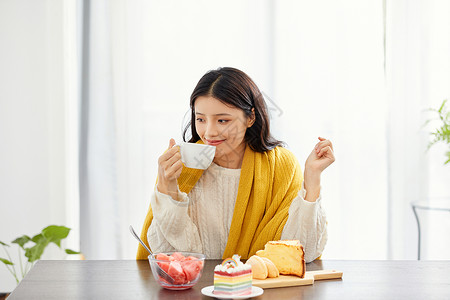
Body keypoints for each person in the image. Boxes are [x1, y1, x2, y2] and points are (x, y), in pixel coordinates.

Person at [136, 67, 335, 263]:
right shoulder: (180, 165)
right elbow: (170, 259)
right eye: (201, 119)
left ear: (250, 118)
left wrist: (312, 178)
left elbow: (301, 252)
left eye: (222, 120)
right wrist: (167, 189)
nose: (209, 132)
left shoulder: (281, 166)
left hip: (261, 291)